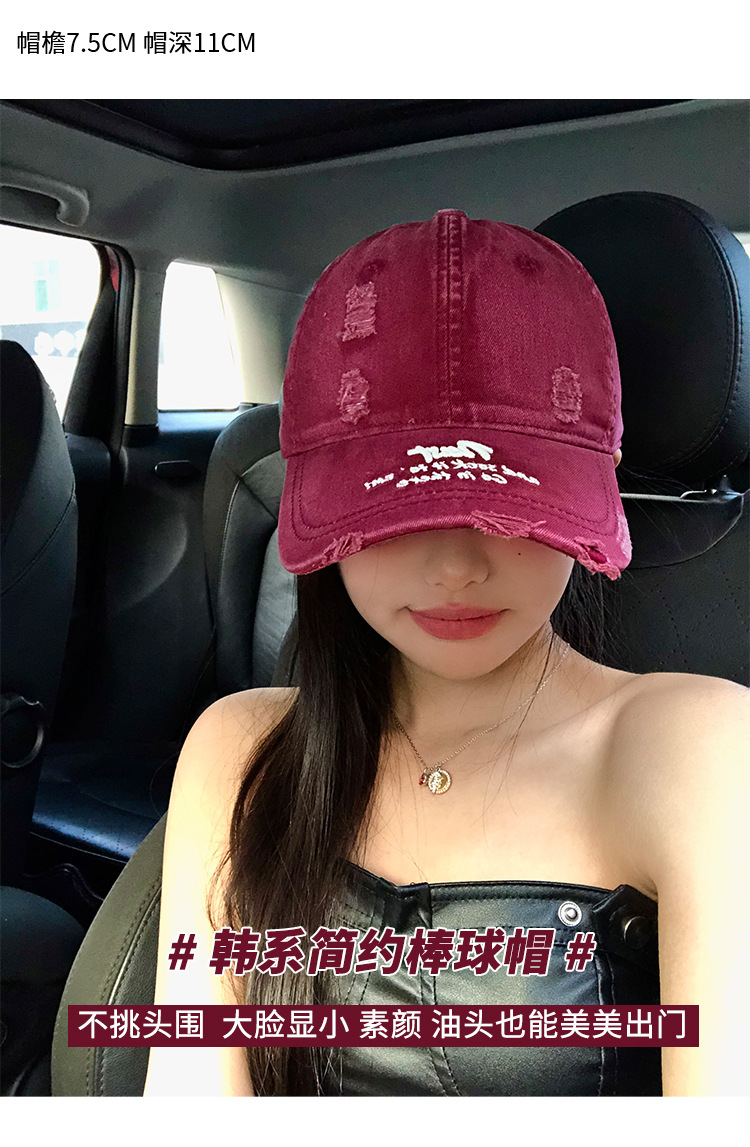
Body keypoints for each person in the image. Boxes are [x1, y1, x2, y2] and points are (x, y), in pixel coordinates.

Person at [143, 209, 749, 1098]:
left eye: (510, 500)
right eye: (399, 503)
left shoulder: (701, 747)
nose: (458, 565)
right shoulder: (238, 751)